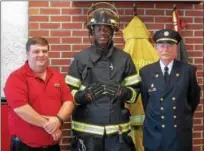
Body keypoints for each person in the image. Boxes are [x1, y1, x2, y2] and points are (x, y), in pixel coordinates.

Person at [65, 2, 141, 151]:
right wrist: (83, 96)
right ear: (92, 31)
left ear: (113, 31)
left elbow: (135, 93)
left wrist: (123, 92)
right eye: (98, 29)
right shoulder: (80, 58)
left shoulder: (124, 59)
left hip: (117, 133)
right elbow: (67, 94)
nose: (103, 33)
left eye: (107, 29)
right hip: (87, 134)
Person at [4, 37, 74, 151]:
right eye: (36, 51)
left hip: (52, 146)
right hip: (25, 146)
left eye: (44, 51)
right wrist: (51, 126)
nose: (41, 54)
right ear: (27, 53)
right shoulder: (16, 78)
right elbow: (21, 109)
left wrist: (58, 120)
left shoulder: (57, 76)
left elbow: (68, 101)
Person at [139, 29, 201, 151]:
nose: (165, 49)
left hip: (178, 133)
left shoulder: (188, 71)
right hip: (154, 133)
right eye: (162, 46)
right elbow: (146, 102)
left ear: (176, 48)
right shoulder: (146, 72)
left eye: (170, 45)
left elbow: (193, 100)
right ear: (156, 48)